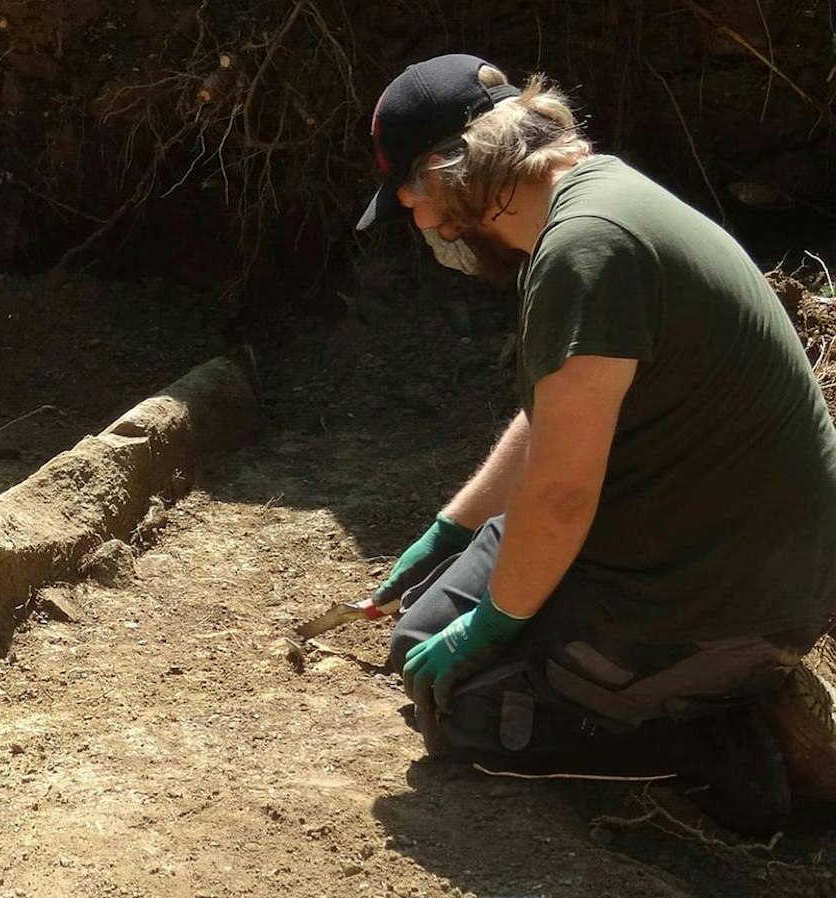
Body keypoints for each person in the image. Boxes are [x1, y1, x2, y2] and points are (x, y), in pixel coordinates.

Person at [355, 55, 836, 835]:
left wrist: (489, 627)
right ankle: (686, 690)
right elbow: (555, 420)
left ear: (447, 172)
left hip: (715, 594)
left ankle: (715, 742)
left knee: (467, 712)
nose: (419, 223)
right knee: (417, 639)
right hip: (693, 542)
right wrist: (453, 529)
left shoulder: (586, 250)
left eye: (408, 199)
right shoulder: (592, 203)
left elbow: (563, 494)